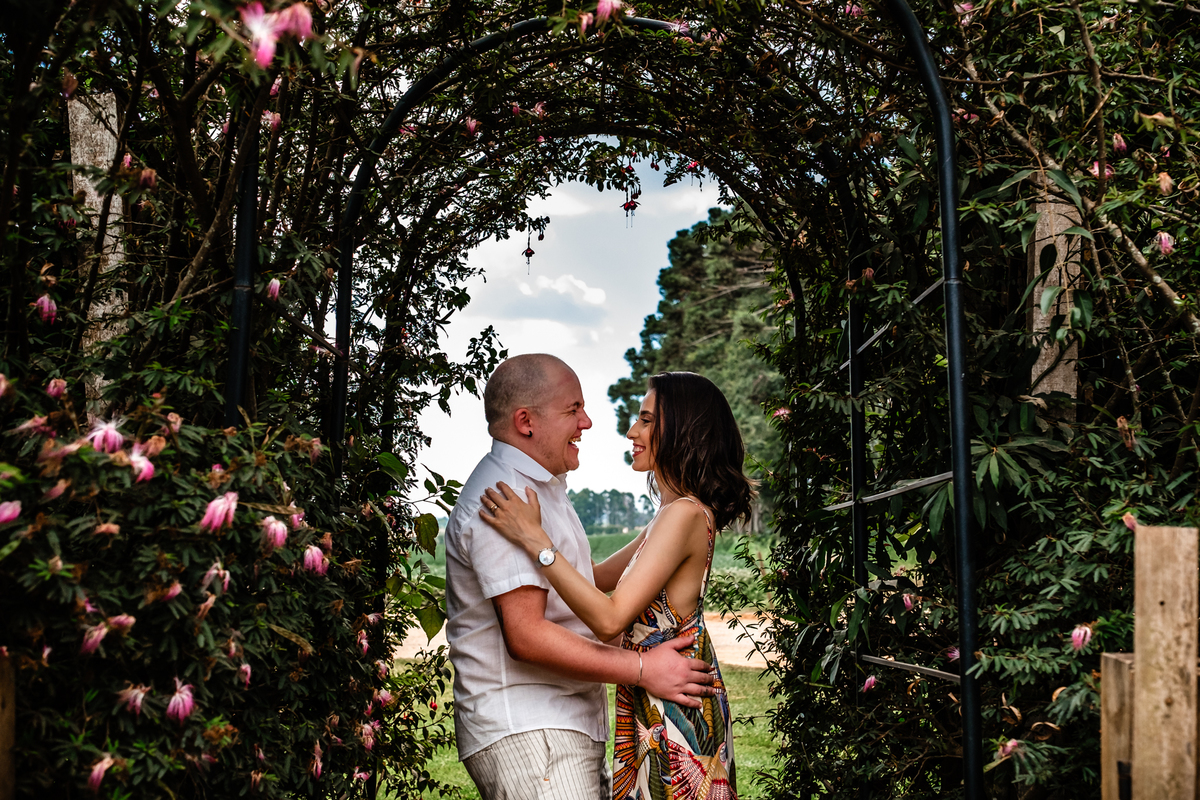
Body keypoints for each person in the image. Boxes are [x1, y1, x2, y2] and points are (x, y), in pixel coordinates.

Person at [446, 355, 717, 800]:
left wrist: (540, 543)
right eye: (573, 409)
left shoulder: (545, 490)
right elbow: (528, 635)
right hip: (531, 726)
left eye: (646, 420)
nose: (588, 422)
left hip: (569, 722)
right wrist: (643, 668)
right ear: (526, 422)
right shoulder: (505, 499)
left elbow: (583, 582)